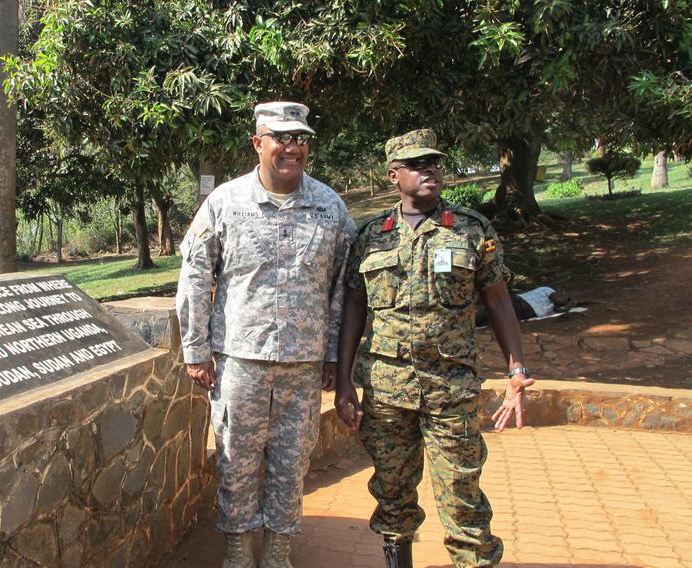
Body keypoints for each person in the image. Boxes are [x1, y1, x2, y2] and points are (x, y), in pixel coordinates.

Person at [334, 129, 534, 568]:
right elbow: (354, 307)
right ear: (393, 174)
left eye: (435, 163)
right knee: (392, 493)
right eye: (417, 164)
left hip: (451, 389)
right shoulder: (370, 235)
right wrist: (344, 380)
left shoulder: (470, 228)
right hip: (387, 391)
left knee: (462, 495)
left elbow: (498, 299)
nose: (430, 171)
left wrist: (516, 367)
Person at [176, 101, 356, 568]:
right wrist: (195, 349)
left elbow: (344, 286)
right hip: (239, 359)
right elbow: (195, 276)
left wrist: (336, 354)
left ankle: (278, 549)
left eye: (300, 139)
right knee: (236, 458)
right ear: (258, 143)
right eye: (281, 138)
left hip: (303, 361)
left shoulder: (330, 207)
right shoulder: (224, 202)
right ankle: (239, 549)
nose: (292, 148)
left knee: (292, 462)